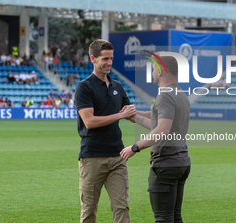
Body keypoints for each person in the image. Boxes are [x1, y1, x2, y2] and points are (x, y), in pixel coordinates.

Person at [120, 52, 191, 223]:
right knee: (174, 217)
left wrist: (134, 147)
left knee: (163, 219)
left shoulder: (165, 95)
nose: (152, 73)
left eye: (153, 69)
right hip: (181, 163)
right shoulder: (180, 94)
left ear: (160, 71)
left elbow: (161, 130)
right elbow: (160, 123)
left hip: (165, 165)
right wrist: (135, 116)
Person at [74, 39, 135, 223]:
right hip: (92, 157)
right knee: (89, 211)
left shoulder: (117, 86)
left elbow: (131, 115)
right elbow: (89, 121)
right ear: (93, 59)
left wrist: (163, 119)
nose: (109, 62)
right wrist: (119, 116)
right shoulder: (84, 87)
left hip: (118, 156)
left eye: (111, 58)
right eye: (105, 59)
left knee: (122, 208)